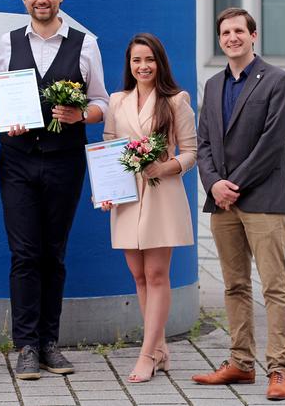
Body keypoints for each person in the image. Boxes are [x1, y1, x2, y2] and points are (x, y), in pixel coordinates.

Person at [0, 0, 109, 379]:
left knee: (53, 254)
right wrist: (3, 113)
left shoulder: (84, 43)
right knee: (24, 254)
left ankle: (49, 344)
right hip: (17, 159)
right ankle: (25, 346)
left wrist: (81, 115)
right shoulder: (8, 42)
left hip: (64, 159)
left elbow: (102, 104)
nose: (41, 0)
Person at [192, 7, 285, 401]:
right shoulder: (213, 85)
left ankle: (279, 368)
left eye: (239, 30)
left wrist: (232, 183)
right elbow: (203, 143)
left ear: (254, 35)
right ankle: (240, 363)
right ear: (220, 39)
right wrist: (214, 184)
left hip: (264, 200)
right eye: (225, 32)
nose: (232, 37)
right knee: (234, 285)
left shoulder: (278, 81)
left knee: (274, 286)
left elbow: (272, 143)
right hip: (223, 203)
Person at [101, 33, 196, 383]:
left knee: (157, 276)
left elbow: (191, 151)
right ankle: (160, 350)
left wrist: (165, 167)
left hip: (161, 195)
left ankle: (146, 354)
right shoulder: (117, 101)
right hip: (127, 196)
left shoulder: (175, 101)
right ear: (129, 65)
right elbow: (110, 147)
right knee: (138, 276)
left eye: (149, 60)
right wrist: (107, 190)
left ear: (160, 63)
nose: (143, 66)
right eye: (136, 60)